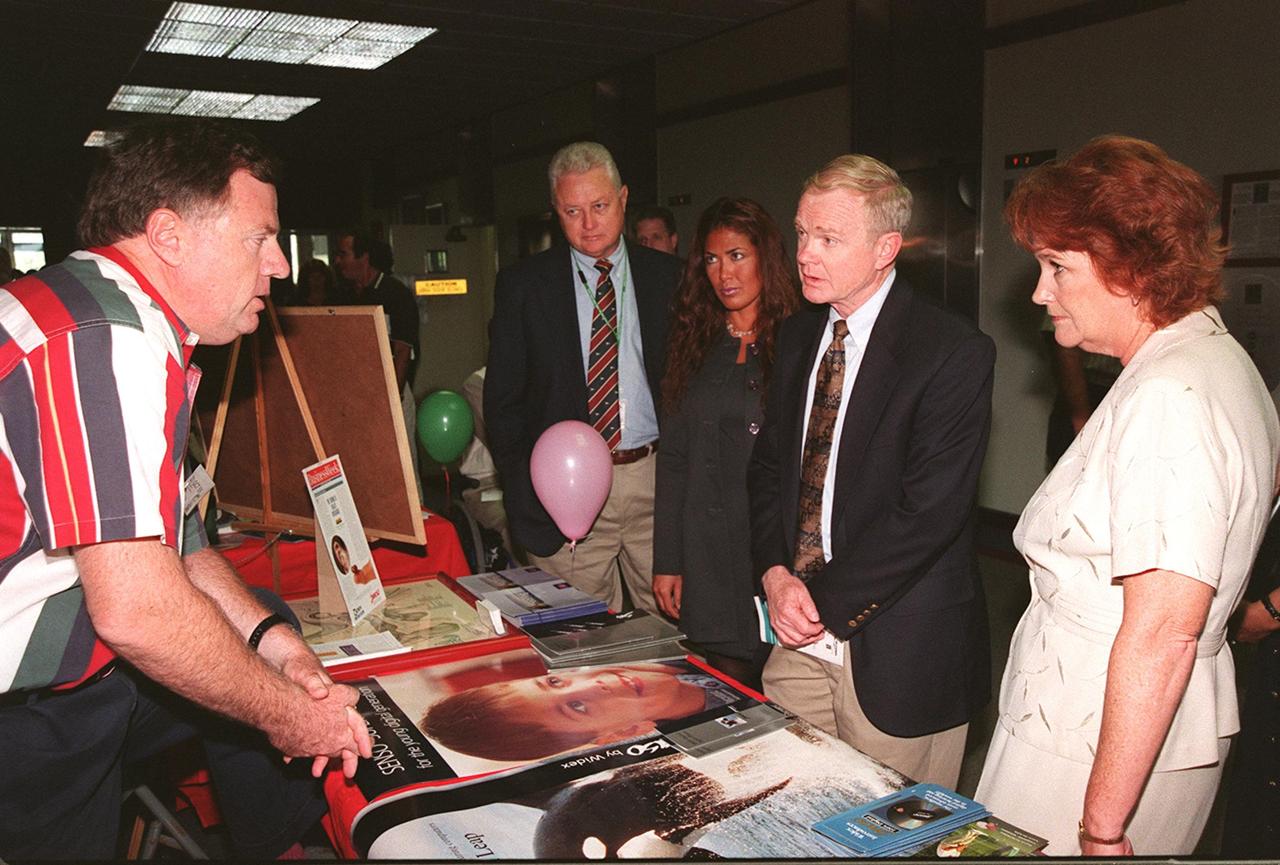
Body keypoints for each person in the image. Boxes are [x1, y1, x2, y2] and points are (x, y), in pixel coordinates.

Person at [0, 120, 371, 860]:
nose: (281, 264)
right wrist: (291, 717)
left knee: (255, 625)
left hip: (64, 665)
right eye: (258, 238)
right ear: (168, 234)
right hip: (26, 709)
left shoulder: (110, 311)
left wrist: (281, 653)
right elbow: (138, 610)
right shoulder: (106, 338)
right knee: (232, 682)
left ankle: (279, 845)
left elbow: (184, 543)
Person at [974, 136, 1280, 855]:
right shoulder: (1211, 356)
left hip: (1092, 746)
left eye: (1057, 267)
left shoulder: (1173, 394)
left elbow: (1164, 630)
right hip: (1111, 724)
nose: (1039, 291)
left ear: (1134, 268)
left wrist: (1103, 829)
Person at [748, 154, 995, 789]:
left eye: (829, 239)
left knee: (887, 833)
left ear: (886, 247)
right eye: (802, 233)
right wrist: (775, 574)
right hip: (795, 637)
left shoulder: (952, 352)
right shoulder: (801, 336)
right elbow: (772, 467)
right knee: (783, 813)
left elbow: (929, 513)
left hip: (897, 648)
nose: (805, 253)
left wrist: (819, 601)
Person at [485, 142, 681, 615]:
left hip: (655, 483)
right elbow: (502, 403)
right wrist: (529, 491)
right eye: (573, 211)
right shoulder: (524, 286)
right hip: (564, 496)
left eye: (600, 206)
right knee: (580, 642)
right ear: (556, 211)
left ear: (624, 198)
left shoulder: (671, 277)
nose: (589, 223)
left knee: (672, 639)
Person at [652, 197, 799, 690]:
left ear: (765, 259)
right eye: (712, 260)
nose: (723, 273)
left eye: (737, 255)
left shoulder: (800, 339)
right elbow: (673, 459)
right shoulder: (693, 340)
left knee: (780, 686)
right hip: (705, 545)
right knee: (721, 691)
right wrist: (668, 559)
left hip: (768, 546)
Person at [421, 662, 739, 761]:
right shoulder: (731, 730)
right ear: (616, 735)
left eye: (556, 681)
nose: (594, 683)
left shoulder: (674, 665)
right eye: (577, 707)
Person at [332, 230, 419, 394]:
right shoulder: (343, 296)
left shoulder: (396, 294)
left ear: (364, 258)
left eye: (343, 255)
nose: (337, 261)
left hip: (389, 387)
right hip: (354, 387)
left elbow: (403, 352)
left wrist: (393, 396)